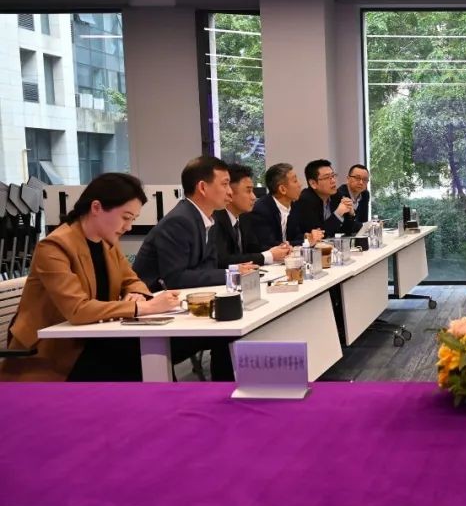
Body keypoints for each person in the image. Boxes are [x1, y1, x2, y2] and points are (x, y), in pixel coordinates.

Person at [0, 173, 182, 381]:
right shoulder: (54, 247)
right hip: (53, 354)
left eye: (132, 219)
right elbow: (78, 310)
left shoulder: (106, 243)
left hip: (93, 339)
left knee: (148, 353)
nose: (128, 227)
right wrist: (143, 307)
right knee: (140, 357)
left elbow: (131, 280)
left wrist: (136, 294)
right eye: (125, 217)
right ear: (96, 207)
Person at [133, 156, 253, 291]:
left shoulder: (207, 218)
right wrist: (231, 273)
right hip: (153, 297)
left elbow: (209, 266)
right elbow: (176, 278)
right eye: (225, 184)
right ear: (202, 187)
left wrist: (234, 270)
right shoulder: (178, 221)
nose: (230, 192)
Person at [213, 163, 291, 267]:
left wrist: (278, 249)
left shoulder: (244, 216)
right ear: (230, 192)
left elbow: (253, 248)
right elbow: (223, 260)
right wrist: (268, 256)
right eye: (248, 191)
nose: (254, 197)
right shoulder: (215, 219)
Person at [288, 159, 356, 242]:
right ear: (313, 183)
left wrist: (351, 214)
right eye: (327, 177)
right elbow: (319, 234)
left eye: (333, 176)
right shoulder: (305, 200)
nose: (333, 181)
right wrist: (338, 213)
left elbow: (347, 231)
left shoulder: (336, 195)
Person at [249, 162, 306, 250]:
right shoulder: (261, 210)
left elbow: (296, 236)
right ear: (282, 189)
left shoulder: (293, 205)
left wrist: (306, 237)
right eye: (295, 181)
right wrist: (304, 241)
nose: (300, 184)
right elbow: (268, 244)